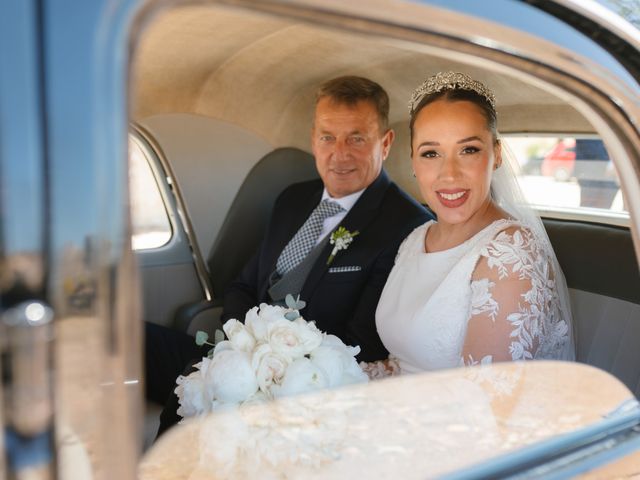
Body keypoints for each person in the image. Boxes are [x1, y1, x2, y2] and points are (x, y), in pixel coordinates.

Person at [146, 75, 432, 434]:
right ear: (313, 138)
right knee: (124, 339)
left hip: (300, 388)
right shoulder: (292, 200)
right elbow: (243, 286)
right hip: (236, 354)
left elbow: (365, 340)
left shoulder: (408, 227)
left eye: (356, 138)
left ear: (385, 143)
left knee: (184, 422)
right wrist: (238, 347)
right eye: (328, 137)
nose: (339, 153)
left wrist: (269, 368)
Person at [369, 72, 575, 377]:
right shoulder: (415, 239)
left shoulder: (511, 255)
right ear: (413, 160)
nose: (449, 174)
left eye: (468, 150)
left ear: (496, 155)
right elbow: (399, 365)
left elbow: (483, 404)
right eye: (431, 153)